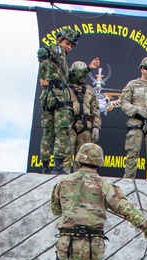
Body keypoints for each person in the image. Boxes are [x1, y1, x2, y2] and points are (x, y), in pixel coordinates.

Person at [37, 29, 99, 175]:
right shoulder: (57, 50)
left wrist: (89, 68)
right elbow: (42, 52)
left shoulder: (61, 60)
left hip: (49, 97)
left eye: (71, 45)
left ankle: (46, 165)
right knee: (61, 131)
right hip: (57, 96)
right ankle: (56, 165)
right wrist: (47, 61)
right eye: (67, 43)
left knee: (49, 132)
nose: (69, 47)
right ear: (59, 39)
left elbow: (73, 76)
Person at [67, 61, 101, 166]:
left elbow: (95, 110)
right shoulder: (65, 88)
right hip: (69, 125)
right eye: (79, 72)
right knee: (65, 156)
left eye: (83, 73)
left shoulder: (89, 90)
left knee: (84, 159)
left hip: (85, 127)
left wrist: (96, 127)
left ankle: (82, 180)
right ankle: (64, 180)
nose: (82, 76)